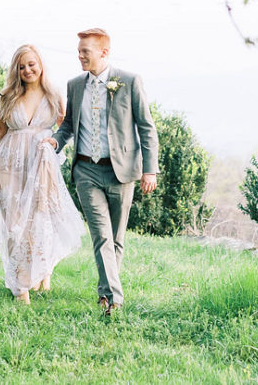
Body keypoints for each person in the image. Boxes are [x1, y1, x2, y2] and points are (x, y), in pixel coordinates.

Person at [42, 28, 158, 316]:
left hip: (121, 171)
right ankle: (115, 301)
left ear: (104, 53)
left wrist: (150, 170)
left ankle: (104, 294)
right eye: (79, 50)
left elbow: (146, 127)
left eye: (85, 51)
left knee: (116, 238)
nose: (80, 56)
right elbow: (69, 124)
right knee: (102, 235)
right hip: (86, 170)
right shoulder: (74, 85)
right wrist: (56, 140)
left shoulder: (129, 82)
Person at [0, 44, 85, 305]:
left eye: (32, 64)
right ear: (16, 70)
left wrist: (54, 148)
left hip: (40, 166)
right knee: (13, 225)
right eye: (22, 66)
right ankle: (20, 287)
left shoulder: (54, 96)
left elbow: (65, 132)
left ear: (40, 65)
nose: (27, 70)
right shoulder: (8, 97)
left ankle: (42, 270)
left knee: (39, 223)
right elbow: (0, 132)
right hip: (9, 165)